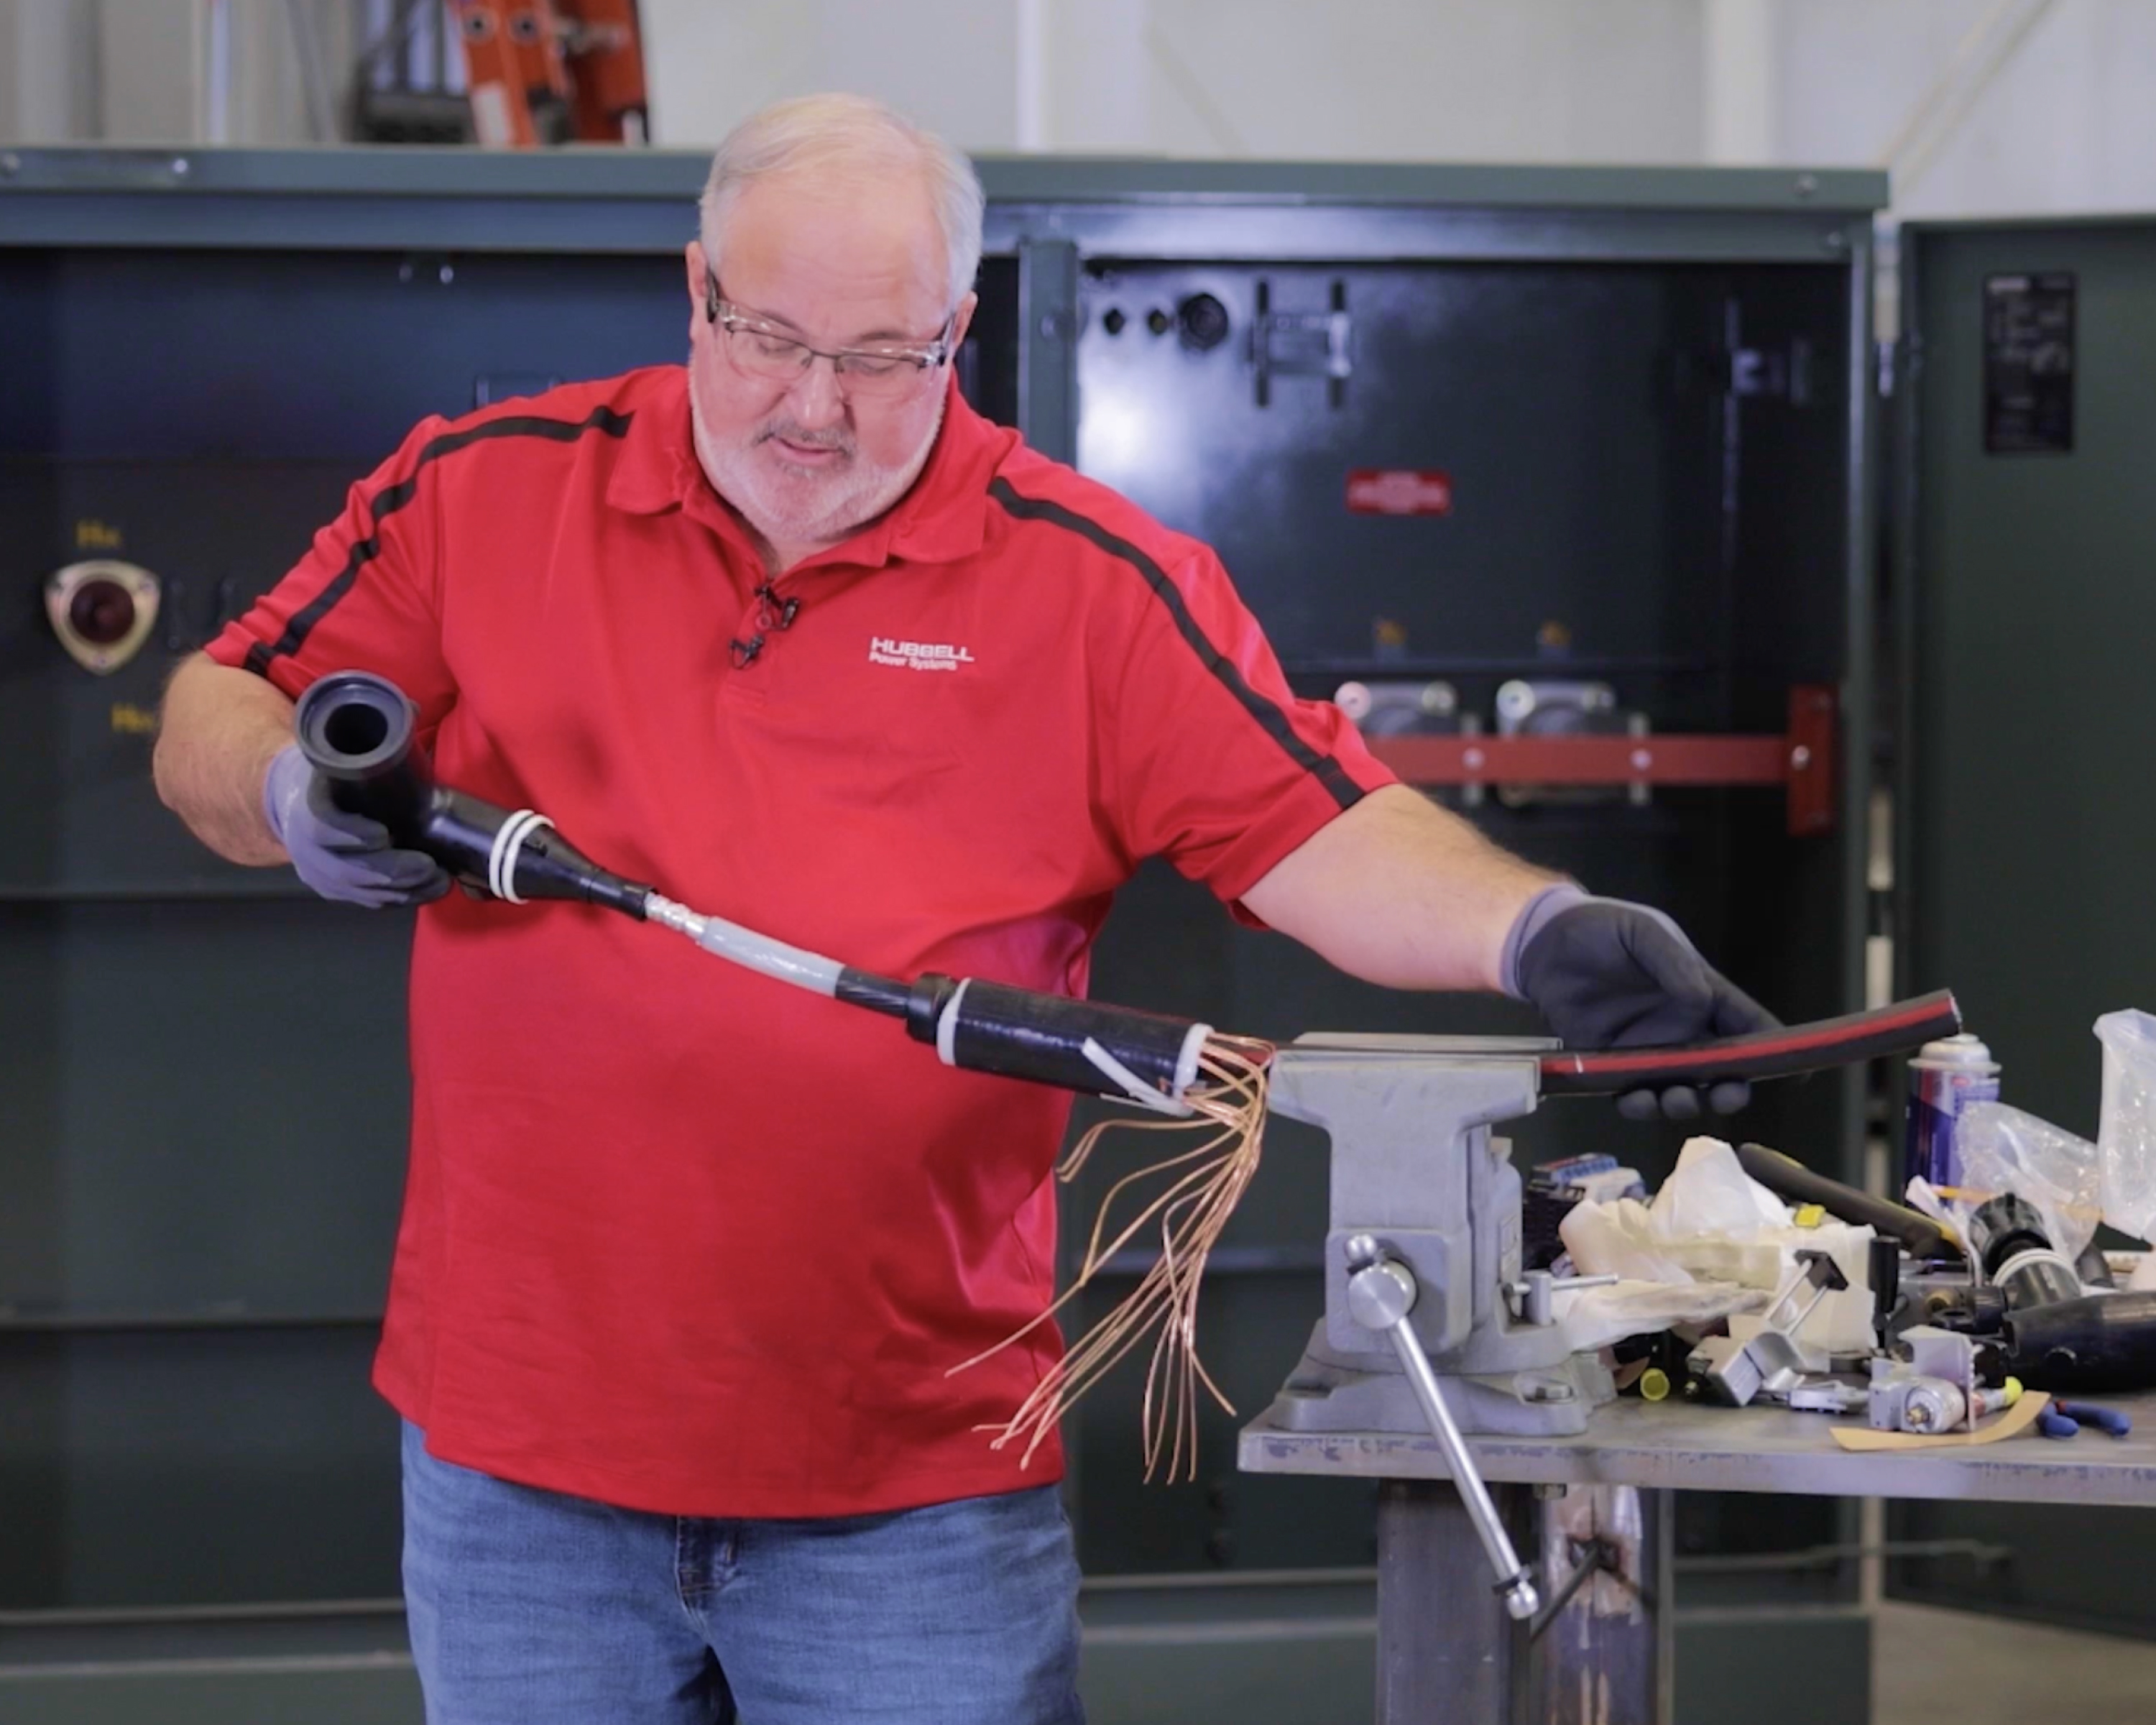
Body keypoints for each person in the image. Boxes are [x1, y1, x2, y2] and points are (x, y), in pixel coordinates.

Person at [154, 92, 1772, 1725]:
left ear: (961, 331)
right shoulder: (485, 491)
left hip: (908, 1500)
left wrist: (1543, 929)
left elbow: (1322, 829)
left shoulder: (1087, 586)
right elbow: (217, 706)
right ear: (694, 287)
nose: (812, 406)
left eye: (879, 357)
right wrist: (295, 795)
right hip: (521, 1482)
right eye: (769, 337)